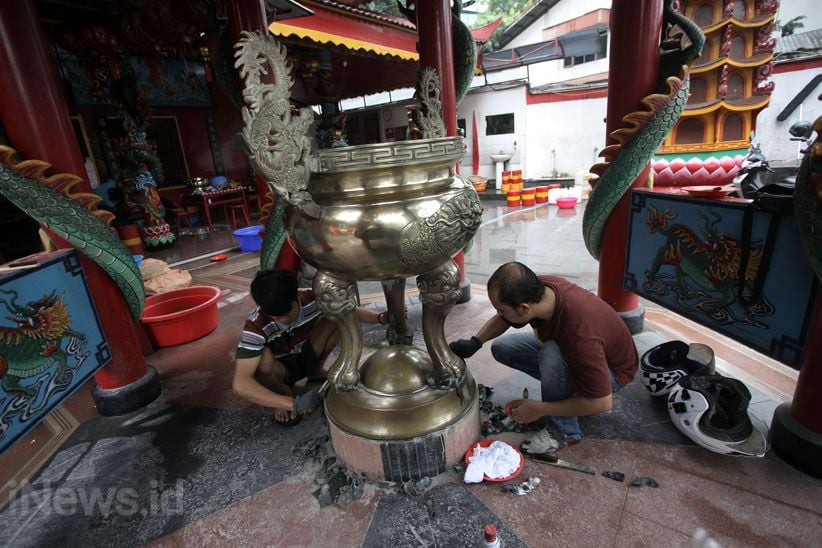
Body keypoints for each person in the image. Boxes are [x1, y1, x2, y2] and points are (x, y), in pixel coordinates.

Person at [449, 262, 638, 452]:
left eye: (501, 310)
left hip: (611, 372)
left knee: (551, 353)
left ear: (524, 309)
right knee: (503, 348)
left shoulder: (580, 334)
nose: (499, 314)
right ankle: (565, 391)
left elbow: (602, 403)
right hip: (572, 350)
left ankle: (562, 431)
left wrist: (540, 408)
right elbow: (505, 318)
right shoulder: (542, 289)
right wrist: (476, 341)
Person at [233, 269, 388, 425]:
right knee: (263, 358)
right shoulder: (255, 325)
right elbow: (240, 384)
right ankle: (281, 394)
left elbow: (349, 310)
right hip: (280, 370)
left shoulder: (312, 298)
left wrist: (379, 318)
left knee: (334, 318)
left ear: (297, 297)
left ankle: (315, 370)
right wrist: (293, 404)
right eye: (277, 317)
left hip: (306, 354)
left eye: (288, 313)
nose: (284, 319)